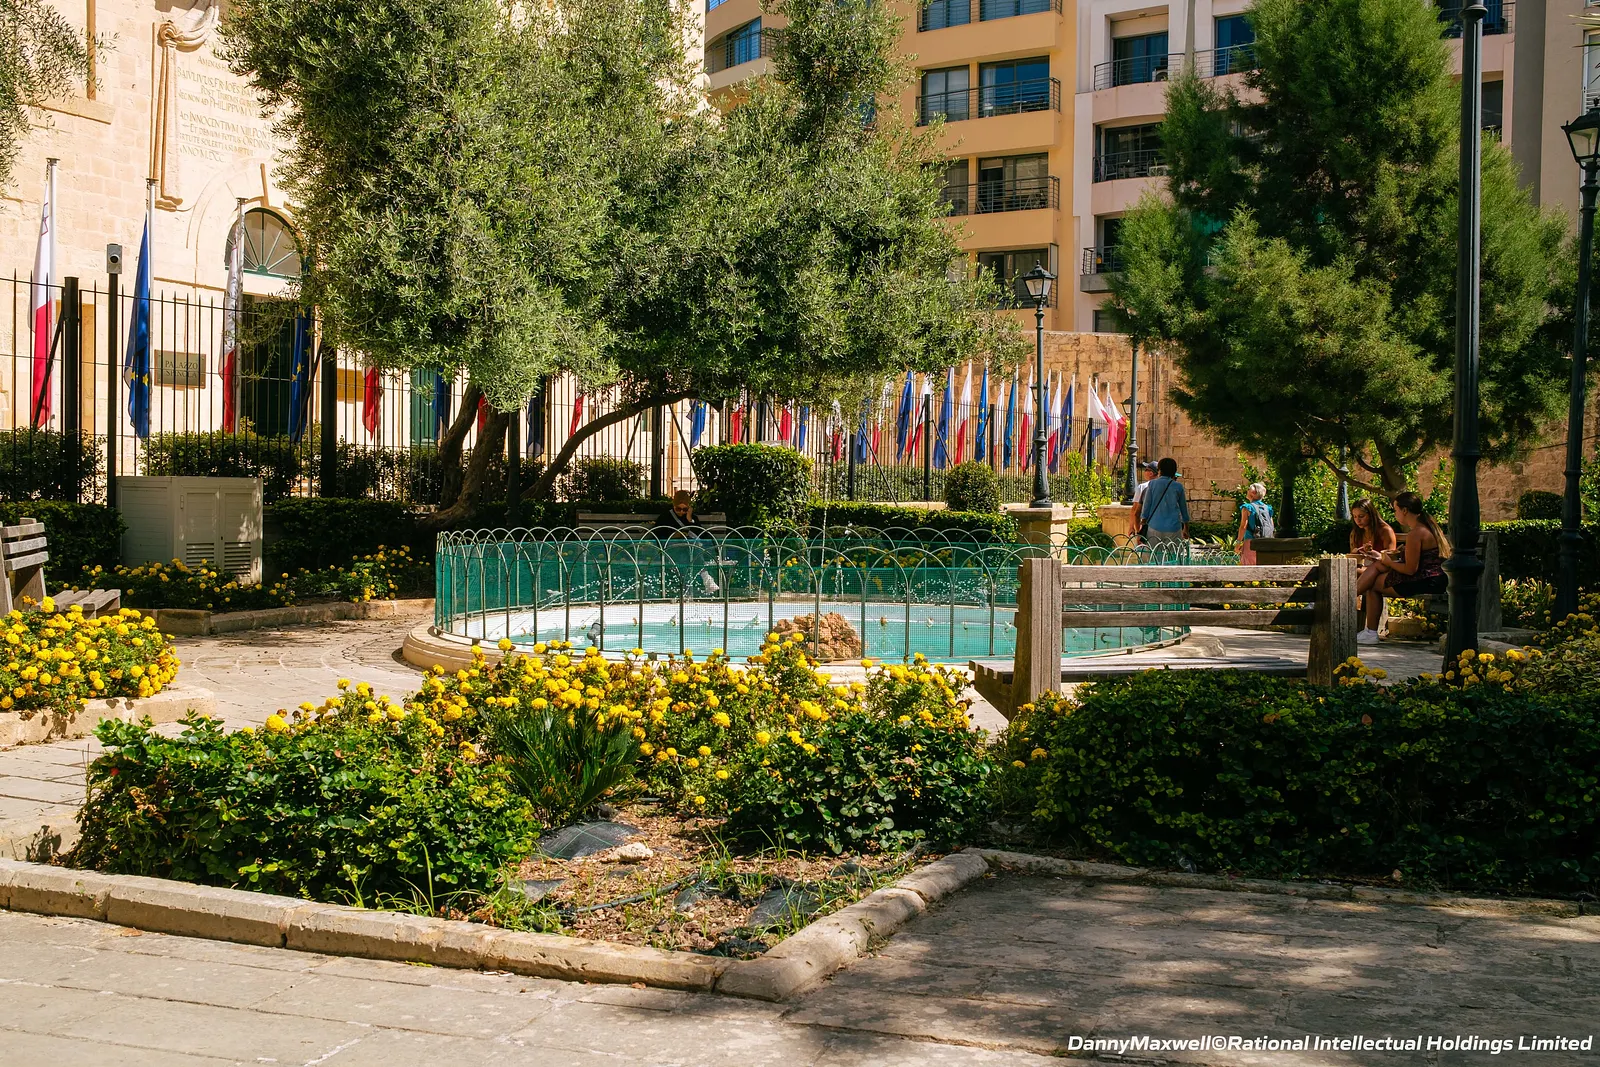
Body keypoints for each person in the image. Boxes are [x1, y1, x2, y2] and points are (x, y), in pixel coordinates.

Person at [1355, 490, 1449, 644]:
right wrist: (1389, 557)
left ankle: (1366, 627)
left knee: (1373, 583)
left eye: (1396, 510)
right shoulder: (1424, 528)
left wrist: (1388, 562)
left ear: (1404, 511)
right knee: (1377, 570)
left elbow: (1410, 569)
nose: (1395, 514)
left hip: (1426, 581)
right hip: (1432, 578)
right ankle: (1367, 628)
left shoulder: (1416, 533)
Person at [1349, 497, 1398, 624]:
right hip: (1365, 568)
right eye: (1355, 517)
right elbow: (1353, 557)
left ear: (1371, 514)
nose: (1358, 520)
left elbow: (1391, 558)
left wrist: (1377, 555)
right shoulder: (1356, 533)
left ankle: (1336, 601)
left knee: (1349, 573)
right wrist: (1357, 552)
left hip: (1383, 570)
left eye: (1361, 516)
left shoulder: (1385, 531)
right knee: (1343, 570)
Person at [1140, 457, 1189, 558]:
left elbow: (1146, 506)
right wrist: (1186, 528)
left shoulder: (1152, 484)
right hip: (1173, 527)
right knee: (1173, 557)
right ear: (1174, 471)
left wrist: (1143, 522)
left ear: (1160, 470)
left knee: (1154, 557)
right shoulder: (1178, 487)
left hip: (1154, 526)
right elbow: (1183, 509)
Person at [1234, 482, 1274, 566]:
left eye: (1248, 489)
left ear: (1253, 492)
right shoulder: (1267, 508)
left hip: (1251, 542)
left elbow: (1243, 526)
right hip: (1266, 542)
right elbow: (1271, 526)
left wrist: (1238, 543)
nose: (1247, 491)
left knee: (1249, 568)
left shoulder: (1247, 507)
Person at [1128, 461, 1159, 541]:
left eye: (1146, 470)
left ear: (1151, 473)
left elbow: (1135, 510)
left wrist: (1133, 528)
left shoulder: (1142, 487)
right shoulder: (1163, 487)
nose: (1144, 472)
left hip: (1145, 525)